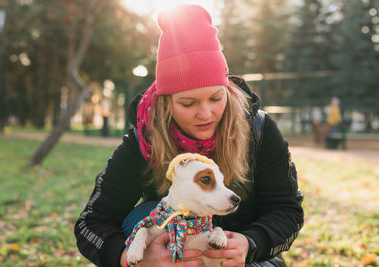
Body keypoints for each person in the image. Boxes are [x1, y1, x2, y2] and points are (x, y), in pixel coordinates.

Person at [74, 4, 304, 267]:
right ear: (166, 103)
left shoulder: (260, 131)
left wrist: (251, 244)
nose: (205, 113)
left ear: (227, 90)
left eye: (216, 98)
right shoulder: (143, 141)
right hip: (173, 254)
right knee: (147, 213)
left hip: (245, 259)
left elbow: (288, 209)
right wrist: (127, 258)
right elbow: (91, 222)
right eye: (188, 103)